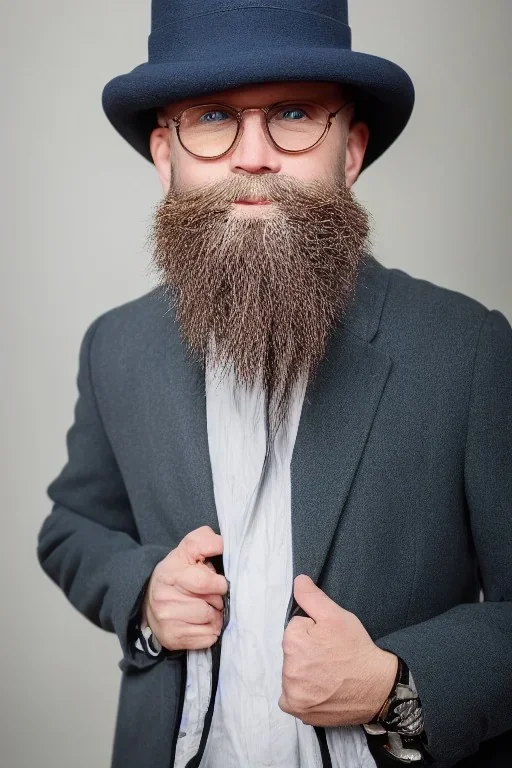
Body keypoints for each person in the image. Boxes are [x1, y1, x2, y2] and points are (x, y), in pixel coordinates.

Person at [36, 1, 512, 767]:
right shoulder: (114, 348)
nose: (252, 156)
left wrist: (399, 686)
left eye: (294, 113)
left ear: (351, 150)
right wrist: (145, 595)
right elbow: (69, 529)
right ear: (166, 156)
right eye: (213, 117)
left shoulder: (469, 349)